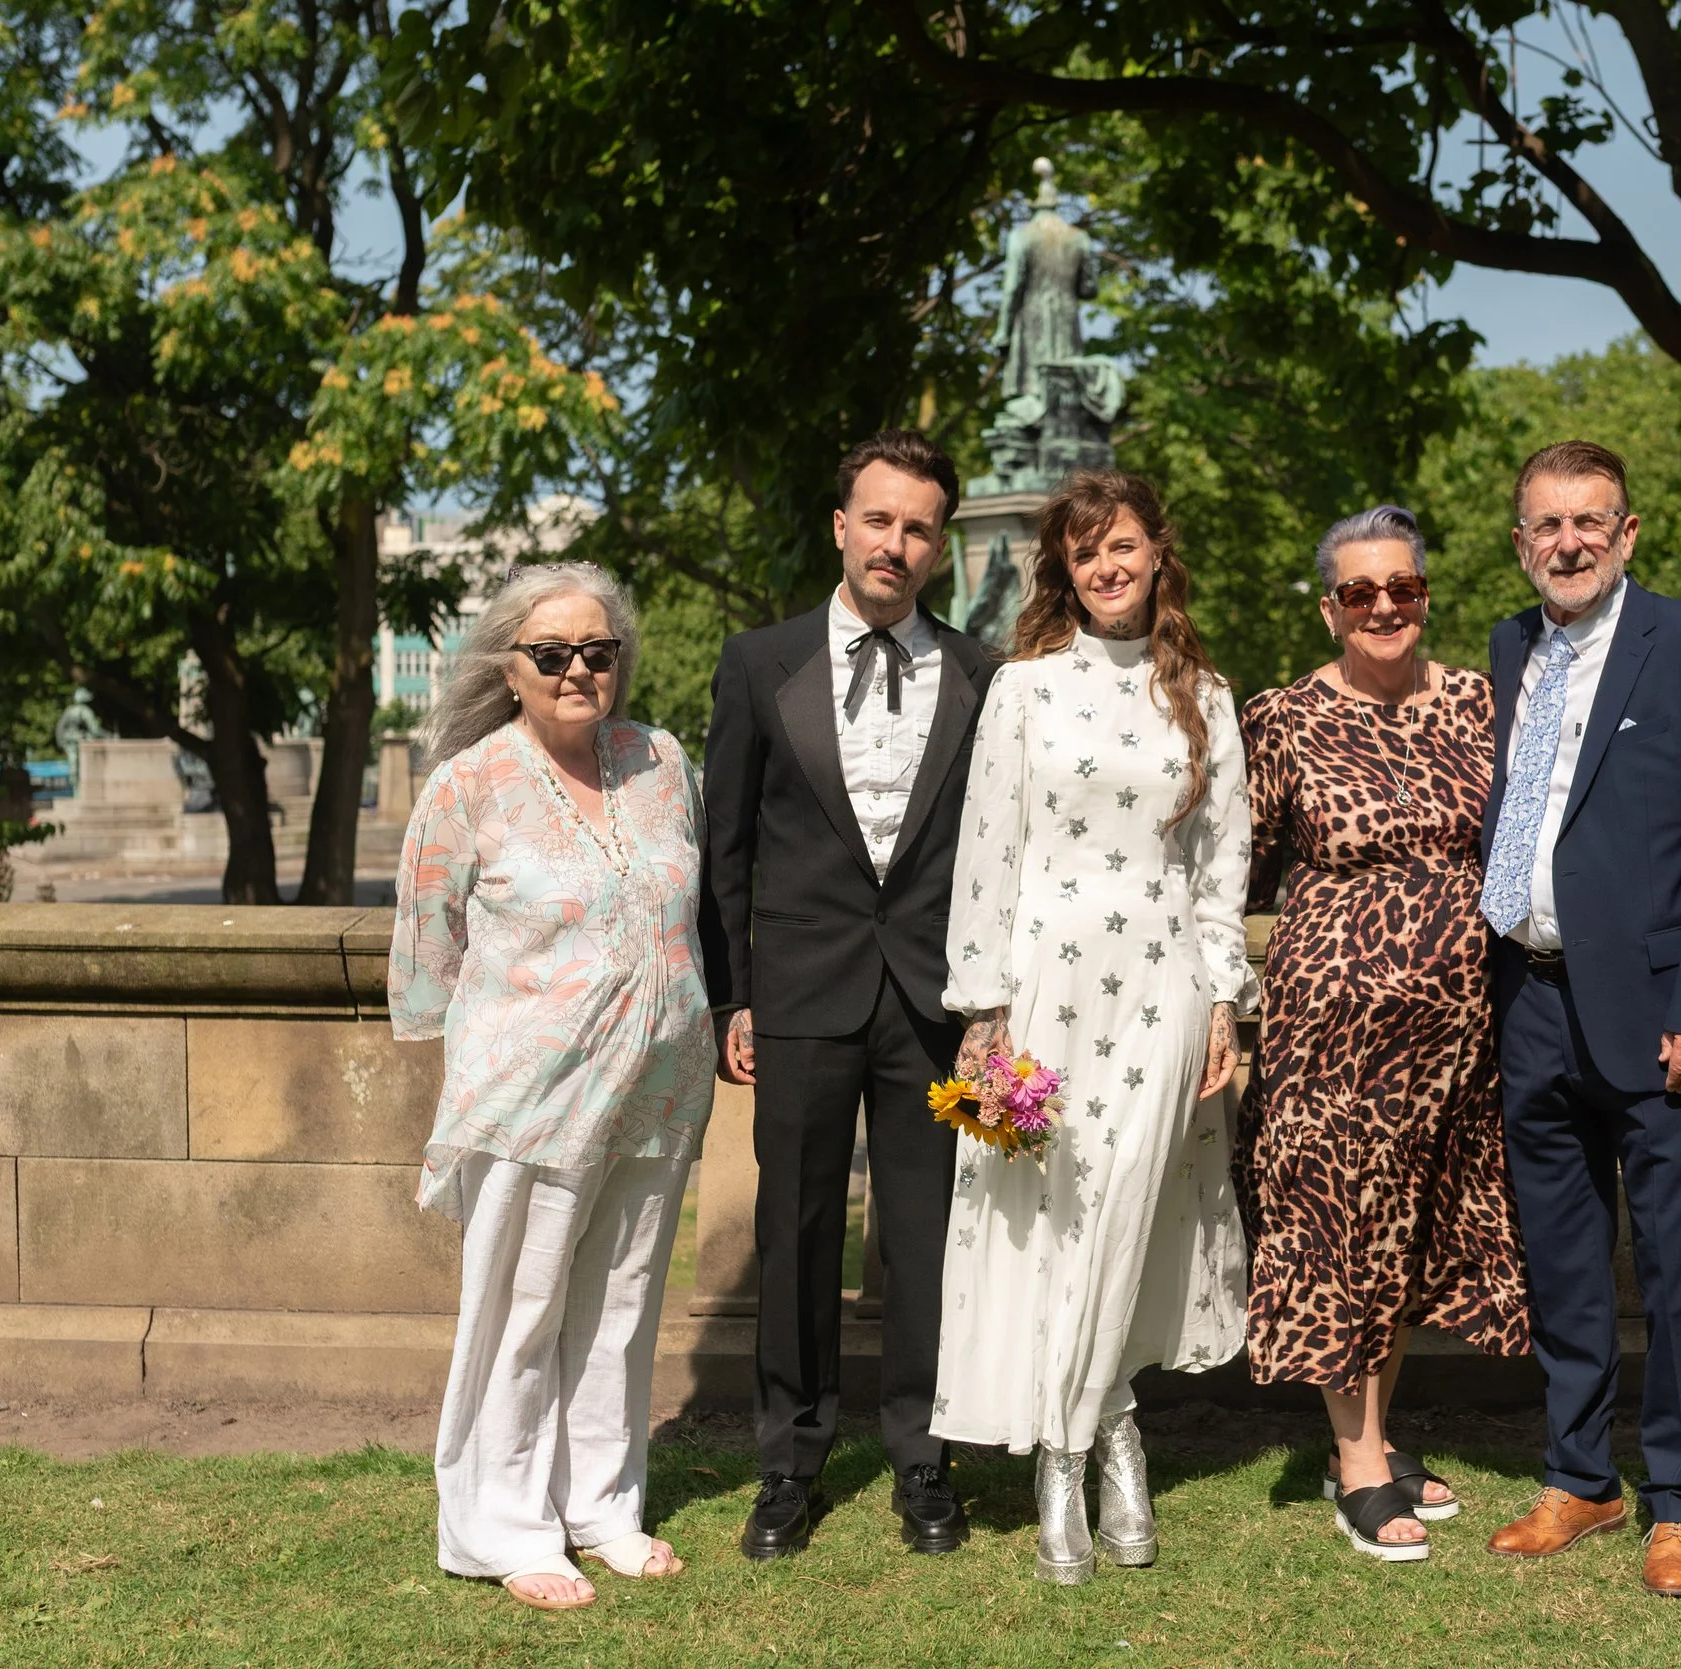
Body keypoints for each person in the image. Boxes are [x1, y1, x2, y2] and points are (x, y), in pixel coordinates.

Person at [931, 470, 1254, 1585]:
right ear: (1062, 572)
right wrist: (982, 1010)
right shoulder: (1021, 692)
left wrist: (1225, 998)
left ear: (1156, 552)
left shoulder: (1205, 696)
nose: (1108, 567)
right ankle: (1090, 1447)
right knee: (1061, 1216)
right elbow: (988, 852)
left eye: (1123, 545)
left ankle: (1081, 1439)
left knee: (1127, 1209)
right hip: (1046, 986)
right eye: (1085, 554)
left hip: (1163, 987)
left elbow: (1223, 866)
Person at [1476, 441, 1681, 1598]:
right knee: (1562, 1263)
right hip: (1531, 1001)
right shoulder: (1509, 648)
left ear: (1628, 533)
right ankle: (1579, 1476)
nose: (1569, 542)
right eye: (1547, 525)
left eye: (1590, 521)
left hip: (1662, 1022)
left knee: (1680, 1268)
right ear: (1520, 542)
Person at [391, 561, 714, 1612]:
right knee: (521, 1312)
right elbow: (427, 945)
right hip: (533, 1094)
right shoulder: (467, 784)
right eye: (553, 653)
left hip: (659, 1082)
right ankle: (503, 1525)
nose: (579, 668)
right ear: (509, 667)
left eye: (598, 651)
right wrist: (491, 1049)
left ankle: (602, 1505)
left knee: (621, 1305)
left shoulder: (661, 761)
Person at [700, 429, 995, 1560]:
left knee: (930, 1239)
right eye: (878, 519)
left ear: (938, 543)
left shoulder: (981, 674)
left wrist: (989, 1003)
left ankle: (925, 1460)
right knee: (797, 1228)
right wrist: (735, 997)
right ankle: (789, 1463)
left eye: (918, 527)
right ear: (841, 525)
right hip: (800, 996)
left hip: (934, 1004)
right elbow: (725, 844)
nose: (896, 544)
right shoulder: (755, 661)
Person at [1237, 505, 1530, 1563]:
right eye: (1359, 593)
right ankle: (1357, 1461)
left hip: (1458, 1028)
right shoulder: (1279, 716)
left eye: (1400, 588)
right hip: (1329, 1024)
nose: (1383, 608)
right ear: (1329, 609)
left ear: (1424, 593)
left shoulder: (1488, 706)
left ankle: (1368, 1436)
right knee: (1335, 1230)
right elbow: (1233, 871)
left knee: (1404, 1231)